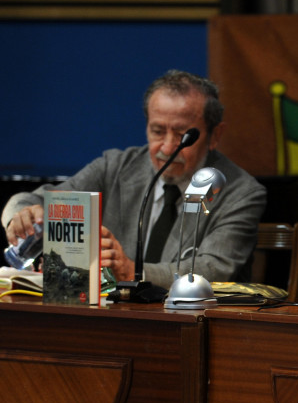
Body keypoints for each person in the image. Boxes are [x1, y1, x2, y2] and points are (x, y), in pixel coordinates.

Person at [3, 70, 266, 290]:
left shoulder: (241, 192)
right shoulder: (115, 167)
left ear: (215, 136)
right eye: (157, 131)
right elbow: (33, 200)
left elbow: (213, 271)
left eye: (183, 135)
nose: (167, 146)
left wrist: (131, 272)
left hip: (192, 325)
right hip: (111, 318)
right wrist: (22, 217)